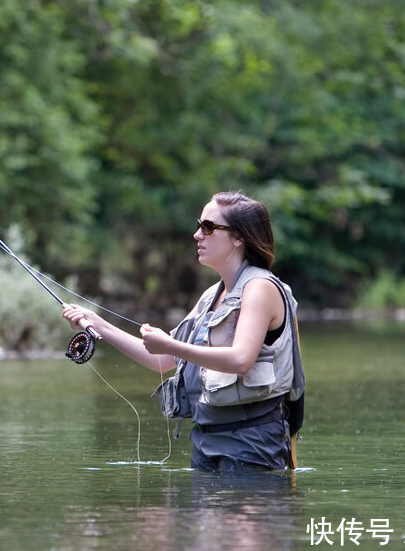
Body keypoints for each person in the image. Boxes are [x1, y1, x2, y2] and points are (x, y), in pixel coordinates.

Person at [62, 191, 304, 473]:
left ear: (239, 237)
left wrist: (170, 345)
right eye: (199, 225)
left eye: (208, 227)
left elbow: (241, 359)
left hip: (253, 442)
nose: (197, 235)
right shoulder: (212, 296)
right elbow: (162, 360)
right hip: (206, 439)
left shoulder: (260, 288)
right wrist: (97, 322)